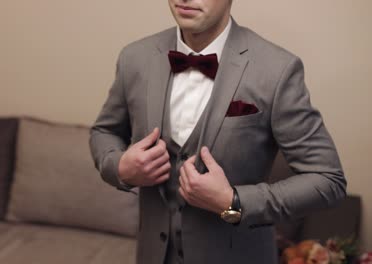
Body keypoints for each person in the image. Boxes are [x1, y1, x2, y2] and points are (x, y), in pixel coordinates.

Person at [89, 0, 347, 263]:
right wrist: (119, 167)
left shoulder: (277, 69)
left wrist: (232, 201)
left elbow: (328, 180)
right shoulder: (135, 58)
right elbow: (104, 131)